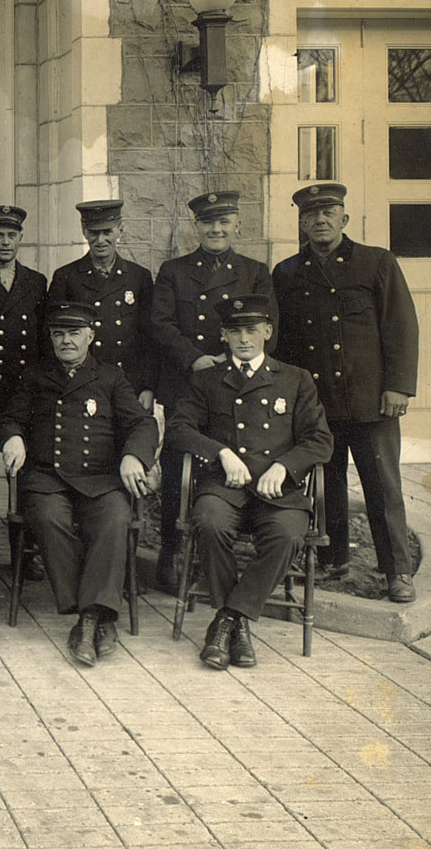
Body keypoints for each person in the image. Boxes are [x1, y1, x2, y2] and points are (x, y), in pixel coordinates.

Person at [165, 294, 333, 669]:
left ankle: (227, 620)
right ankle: (236, 627)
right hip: (223, 489)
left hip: (277, 492)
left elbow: (320, 439)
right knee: (208, 522)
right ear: (223, 335)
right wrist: (220, 452)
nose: (244, 338)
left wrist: (285, 467)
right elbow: (177, 430)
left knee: (289, 535)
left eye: (252, 330)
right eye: (235, 330)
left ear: (267, 332)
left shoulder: (294, 379)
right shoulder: (206, 380)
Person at [272, 182, 420, 603]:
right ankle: (334, 558)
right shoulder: (286, 273)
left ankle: (397, 571)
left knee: (383, 486)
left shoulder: (376, 262)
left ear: (344, 219)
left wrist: (398, 386)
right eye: (311, 215)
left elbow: (401, 327)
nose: (320, 220)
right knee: (327, 483)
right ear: (301, 222)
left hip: (372, 400)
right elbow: (283, 342)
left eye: (329, 212)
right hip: (318, 403)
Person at [0, 301, 158, 666]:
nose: (66, 341)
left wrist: (134, 455)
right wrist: (12, 436)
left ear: (90, 335)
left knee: (115, 520)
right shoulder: (35, 375)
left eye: (73, 333)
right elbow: (11, 417)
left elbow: (142, 424)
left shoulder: (110, 376)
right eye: (58, 334)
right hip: (46, 477)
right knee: (49, 519)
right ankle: (97, 616)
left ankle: (88, 619)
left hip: (100, 477)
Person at [151, 191, 277, 590]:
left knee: (242, 458)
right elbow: (161, 324)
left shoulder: (256, 271)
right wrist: (196, 359)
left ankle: (228, 552)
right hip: (188, 382)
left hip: (239, 386)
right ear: (197, 227)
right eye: (208, 222)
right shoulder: (174, 270)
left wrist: (232, 363)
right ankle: (172, 552)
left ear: (237, 224)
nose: (216, 229)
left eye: (224, 221)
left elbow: (268, 331)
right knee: (177, 469)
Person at [48, 200, 156, 410]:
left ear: (120, 230)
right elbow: (52, 335)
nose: (100, 240)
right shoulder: (66, 277)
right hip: (81, 383)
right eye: (93, 233)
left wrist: (148, 386)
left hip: (129, 382)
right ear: (84, 231)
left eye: (107, 232)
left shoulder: (138, 276)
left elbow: (149, 337)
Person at [0, 204, 48, 409]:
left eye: (12, 235)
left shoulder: (36, 282)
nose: (6, 242)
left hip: (23, 384)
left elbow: (42, 336)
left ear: (20, 238)